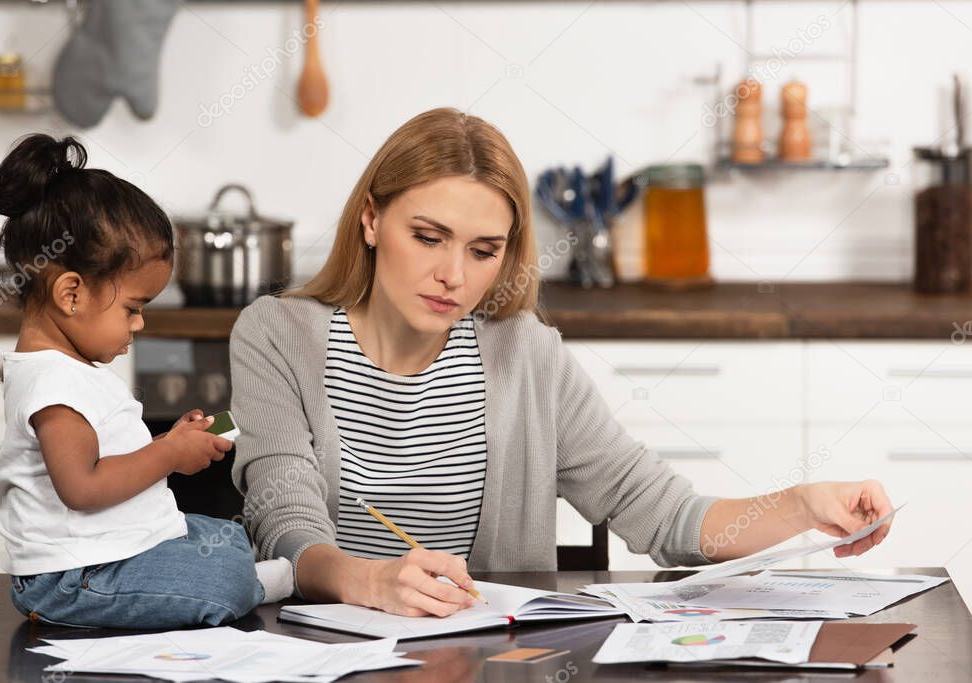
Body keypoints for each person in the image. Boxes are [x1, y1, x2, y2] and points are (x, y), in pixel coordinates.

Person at [229, 107, 893, 619]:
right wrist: (372, 580)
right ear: (371, 219)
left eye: (484, 250)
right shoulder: (277, 335)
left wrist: (803, 503)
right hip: (315, 655)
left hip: (481, 660)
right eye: (428, 237)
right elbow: (284, 518)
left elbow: (662, 514)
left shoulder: (526, 354)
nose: (453, 275)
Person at [0, 134, 293, 628]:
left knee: (220, 536)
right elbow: (83, 488)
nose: (139, 324)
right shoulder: (52, 387)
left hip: (100, 557)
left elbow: (104, 460)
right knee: (223, 575)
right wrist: (169, 455)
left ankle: (246, 571)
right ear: (71, 293)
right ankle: (256, 583)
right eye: (133, 308)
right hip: (72, 579)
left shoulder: (65, 368)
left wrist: (172, 440)